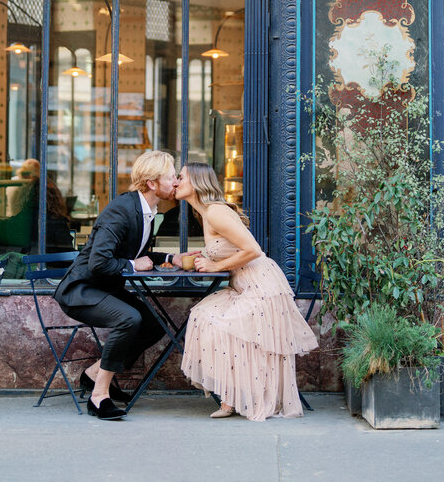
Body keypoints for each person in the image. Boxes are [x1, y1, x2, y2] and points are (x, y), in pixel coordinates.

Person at [53, 149, 187, 420]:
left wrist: (173, 258)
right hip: (81, 290)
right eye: (171, 176)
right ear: (152, 183)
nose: (176, 181)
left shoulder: (147, 210)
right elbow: (99, 263)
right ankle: (99, 396)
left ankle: (93, 375)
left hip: (104, 288)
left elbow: (137, 254)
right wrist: (131, 266)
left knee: (153, 326)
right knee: (129, 319)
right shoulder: (121, 210)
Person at [177, 163, 318, 421]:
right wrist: (191, 257)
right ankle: (231, 396)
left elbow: (252, 249)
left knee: (218, 324)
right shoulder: (206, 213)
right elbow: (226, 247)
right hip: (244, 286)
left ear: (196, 183)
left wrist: (215, 265)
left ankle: (235, 398)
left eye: (181, 177)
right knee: (202, 315)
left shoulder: (215, 213)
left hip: (261, 287)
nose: (176, 181)